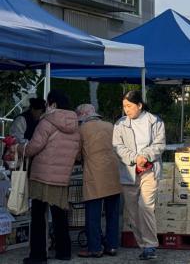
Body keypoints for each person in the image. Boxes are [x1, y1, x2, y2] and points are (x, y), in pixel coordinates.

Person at [16, 90, 80, 263]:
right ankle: (64, 252)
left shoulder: (47, 121)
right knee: (59, 215)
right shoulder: (75, 126)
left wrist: (20, 149)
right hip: (62, 177)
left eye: (48, 103)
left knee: (38, 216)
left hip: (42, 175)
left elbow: (33, 147)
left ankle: (38, 255)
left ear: (53, 104)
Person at [113, 91, 166, 261]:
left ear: (140, 105)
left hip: (149, 171)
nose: (126, 110)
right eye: (124, 106)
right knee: (132, 212)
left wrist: (145, 156)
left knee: (145, 206)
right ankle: (143, 245)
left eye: (129, 106)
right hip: (129, 173)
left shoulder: (155, 121)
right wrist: (135, 158)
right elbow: (117, 147)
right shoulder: (120, 124)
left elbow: (160, 144)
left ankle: (150, 245)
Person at [76, 104, 122, 258]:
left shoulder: (82, 129)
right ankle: (112, 245)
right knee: (112, 213)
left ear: (82, 115)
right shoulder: (110, 126)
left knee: (93, 214)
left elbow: (77, 154)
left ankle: (95, 248)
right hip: (113, 173)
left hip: (94, 174)